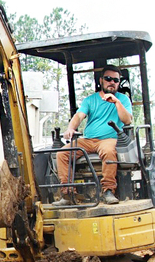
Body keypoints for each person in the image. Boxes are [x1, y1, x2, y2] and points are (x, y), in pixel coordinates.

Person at [55, 64, 133, 206]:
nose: (112, 83)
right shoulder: (90, 100)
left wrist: (116, 102)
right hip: (88, 140)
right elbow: (79, 116)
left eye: (116, 80)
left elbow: (127, 120)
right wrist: (71, 128)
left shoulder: (123, 100)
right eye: (108, 79)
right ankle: (68, 194)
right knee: (62, 154)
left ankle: (108, 190)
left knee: (109, 152)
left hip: (109, 139)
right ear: (101, 80)